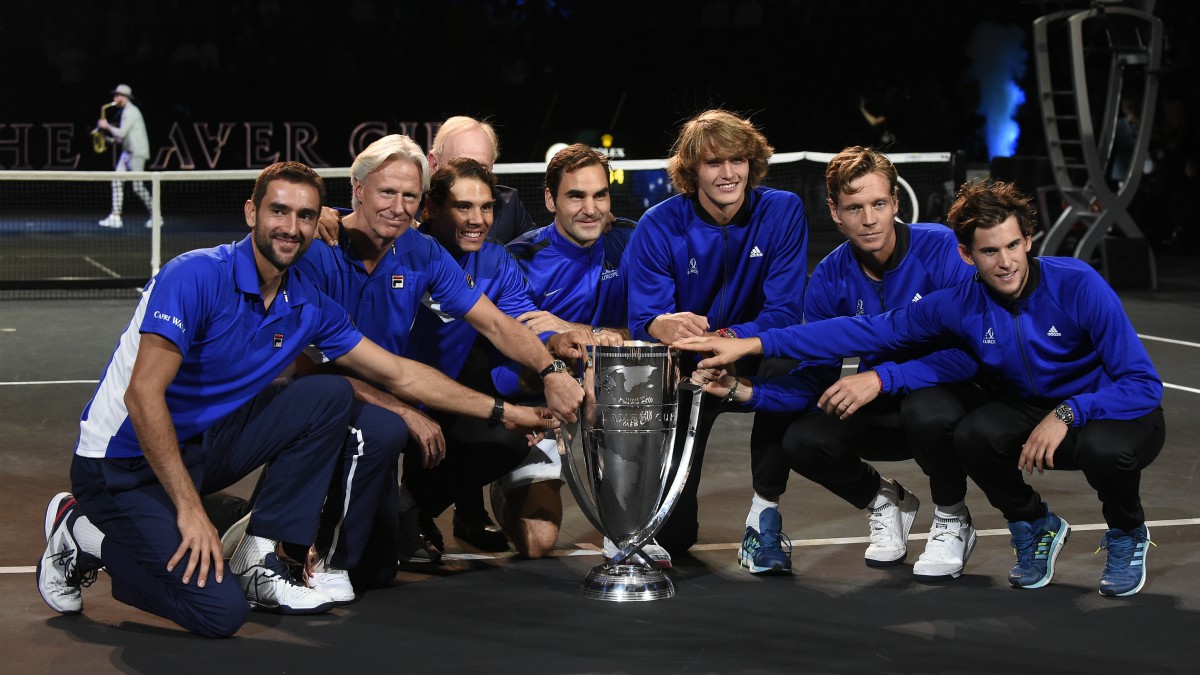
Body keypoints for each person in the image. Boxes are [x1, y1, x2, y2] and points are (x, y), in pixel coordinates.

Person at [35, 161, 556, 638]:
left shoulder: (305, 302)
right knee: (219, 614)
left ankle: (260, 557)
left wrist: (507, 412)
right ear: (251, 212)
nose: (291, 226)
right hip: (121, 464)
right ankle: (84, 533)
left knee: (328, 392)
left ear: (318, 224)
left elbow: (400, 374)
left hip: (196, 450)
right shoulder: (194, 276)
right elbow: (143, 395)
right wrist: (191, 511)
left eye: (307, 215)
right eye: (279, 210)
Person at [677, 180, 1166, 597]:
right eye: (989, 251)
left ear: (1029, 240)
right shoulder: (958, 302)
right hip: (1029, 409)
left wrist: (1068, 414)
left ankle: (1127, 532)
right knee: (974, 433)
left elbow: (1143, 384)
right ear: (967, 254)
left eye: (1013, 246)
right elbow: (860, 332)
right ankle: (1033, 523)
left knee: (1105, 450)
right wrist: (750, 342)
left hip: (1111, 411)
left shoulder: (1078, 284)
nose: (1005, 263)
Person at [690, 147, 985, 578]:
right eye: (854, 208)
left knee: (928, 407)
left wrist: (882, 377)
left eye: (878, 204)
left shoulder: (941, 249)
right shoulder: (829, 276)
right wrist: (746, 392)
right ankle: (885, 501)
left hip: (946, 403)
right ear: (835, 212)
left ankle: (953, 516)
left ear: (895, 204)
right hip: (884, 409)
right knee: (802, 439)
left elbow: (970, 356)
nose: (869, 219)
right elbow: (814, 375)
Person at [292, 135, 583, 565]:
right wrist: (402, 409)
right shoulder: (316, 246)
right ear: (357, 190)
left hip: (396, 391)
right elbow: (307, 369)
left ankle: (405, 511)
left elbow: (499, 324)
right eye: (387, 192)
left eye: (408, 195)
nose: (398, 206)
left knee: (377, 564)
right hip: (321, 397)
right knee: (384, 431)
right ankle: (262, 523)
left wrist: (552, 369)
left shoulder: (422, 252)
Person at [621, 109, 809, 565]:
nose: (728, 174)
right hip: (691, 361)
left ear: (752, 163)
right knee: (677, 538)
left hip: (754, 347)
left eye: (737, 160)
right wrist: (657, 324)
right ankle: (655, 516)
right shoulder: (658, 224)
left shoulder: (783, 210)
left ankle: (763, 520)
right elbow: (644, 316)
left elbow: (783, 312)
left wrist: (726, 338)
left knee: (789, 366)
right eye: (713, 163)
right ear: (691, 170)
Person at [399, 157, 598, 559]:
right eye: (463, 206)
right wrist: (326, 218)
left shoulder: (494, 260)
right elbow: (354, 217)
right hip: (387, 393)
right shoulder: (396, 248)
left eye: (486, 207)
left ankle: (411, 511)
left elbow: (519, 318)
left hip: (445, 398)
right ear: (430, 209)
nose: (478, 219)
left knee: (510, 436)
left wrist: (556, 344)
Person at [504, 143, 647, 561]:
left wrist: (577, 330)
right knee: (537, 543)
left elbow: (652, 326)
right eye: (576, 196)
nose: (591, 208)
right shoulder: (521, 257)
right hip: (541, 395)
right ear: (551, 200)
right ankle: (504, 481)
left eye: (599, 195)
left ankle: (626, 519)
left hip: (614, 393)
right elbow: (526, 341)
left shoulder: (633, 241)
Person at [426, 115, 537, 244]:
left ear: (492, 167)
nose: (472, 177)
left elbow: (539, 256)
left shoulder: (509, 206)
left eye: (482, 168)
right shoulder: (408, 207)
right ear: (434, 164)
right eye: (461, 167)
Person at [97, 84, 153, 229]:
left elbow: (121, 133)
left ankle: (156, 215)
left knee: (137, 187)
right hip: (127, 151)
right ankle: (115, 216)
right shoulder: (125, 112)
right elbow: (121, 139)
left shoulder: (131, 112)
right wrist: (106, 137)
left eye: (118, 96)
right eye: (115, 95)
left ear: (125, 97)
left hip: (136, 153)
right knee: (116, 180)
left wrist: (106, 125)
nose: (115, 98)